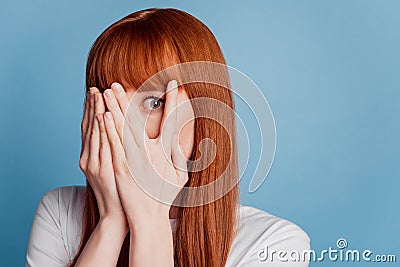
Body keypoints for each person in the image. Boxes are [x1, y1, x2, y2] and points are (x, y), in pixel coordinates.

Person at [26, 8, 310, 267]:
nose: (126, 127)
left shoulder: (275, 243)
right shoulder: (59, 212)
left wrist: (151, 221)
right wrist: (111, 223)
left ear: (206, 111)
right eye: (110, 102)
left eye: (153, 102)